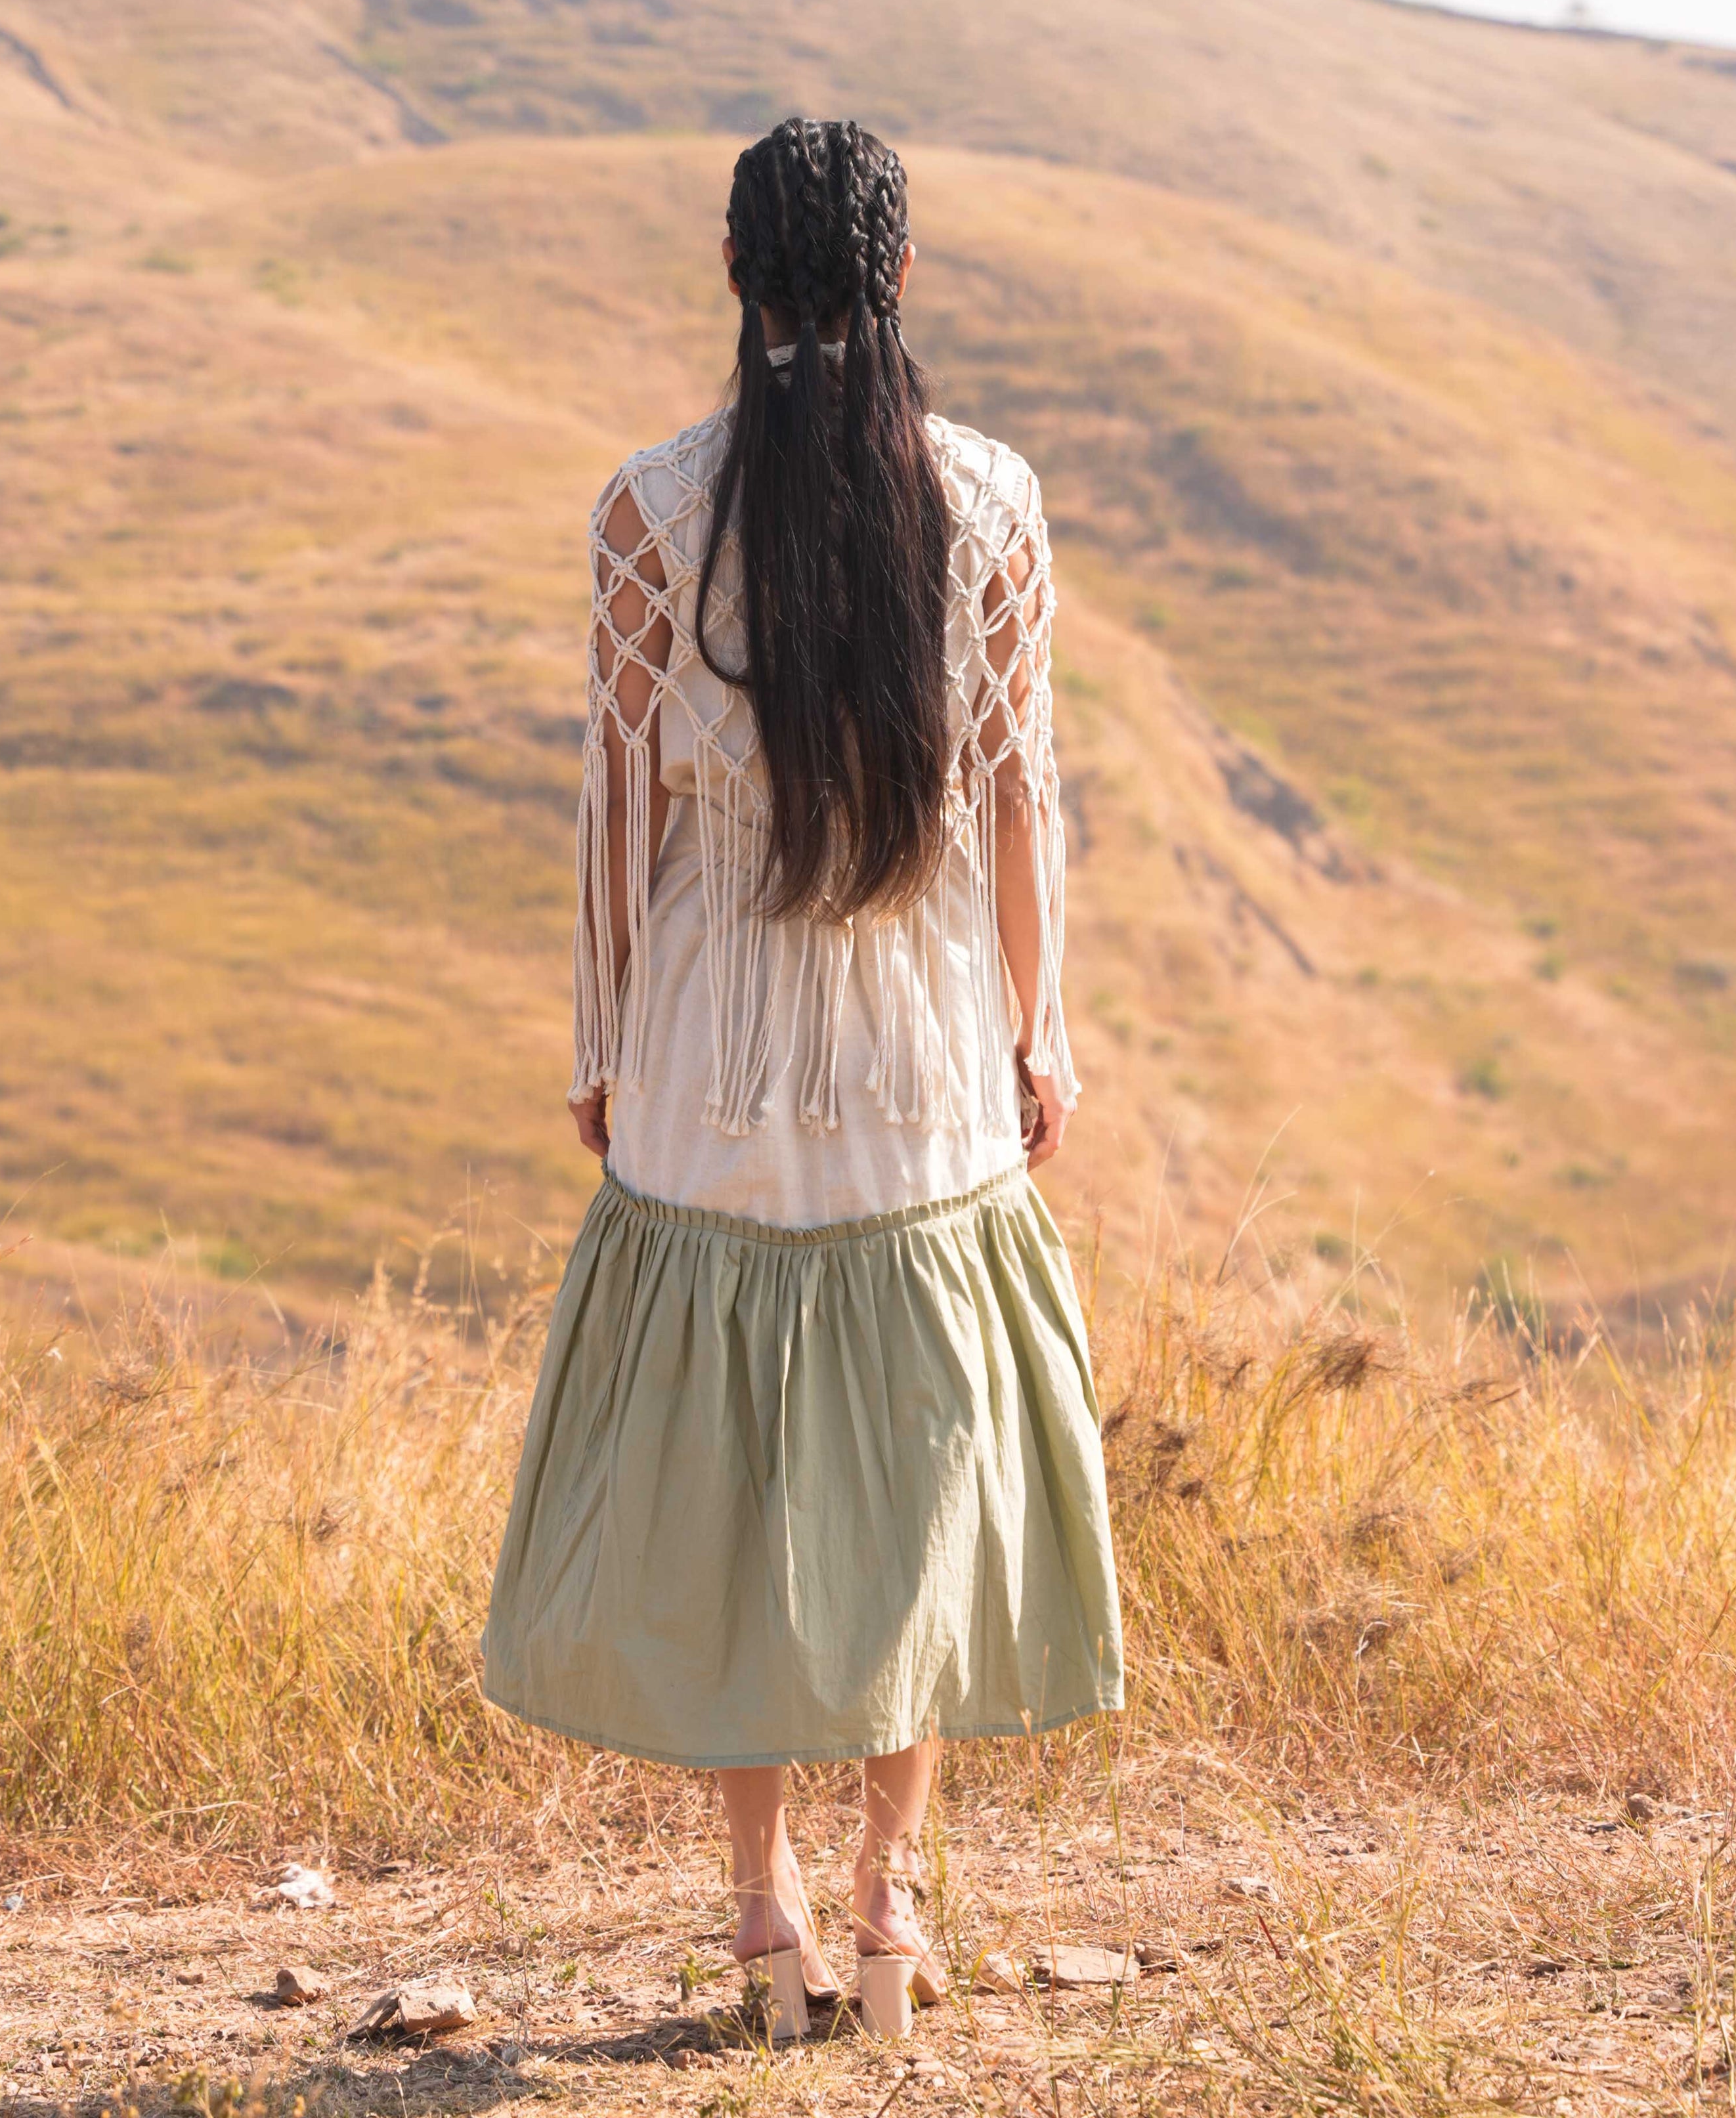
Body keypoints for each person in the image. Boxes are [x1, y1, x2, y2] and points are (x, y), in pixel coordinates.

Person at [483, 118, 1122, 2039]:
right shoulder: (993, 504)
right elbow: (1018, 794)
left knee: (734, 1484)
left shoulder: (649, 510)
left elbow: (618, 806)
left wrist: (603, 1043)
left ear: (741, 282)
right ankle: (890, 1903)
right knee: (912, 1478)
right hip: (923, 1061)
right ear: (898, 277)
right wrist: (1040, 1021)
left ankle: (757, 1916)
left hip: (711, 1056)